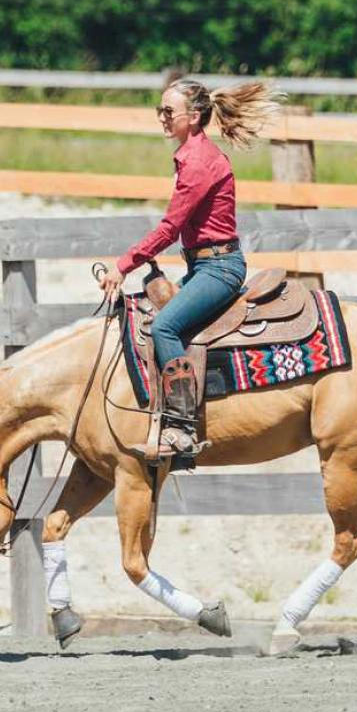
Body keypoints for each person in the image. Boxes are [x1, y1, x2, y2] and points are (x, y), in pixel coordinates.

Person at [99, 78, 282, 459]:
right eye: (159, 110)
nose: (162, 118)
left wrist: (123, 265)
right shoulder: (193, 155)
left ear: (194, 117)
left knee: (166, 326)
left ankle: (180, 428)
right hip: (204, 266)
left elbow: (171, 227)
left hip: (218, 269)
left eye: (169, 111)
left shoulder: (199, 161)